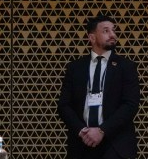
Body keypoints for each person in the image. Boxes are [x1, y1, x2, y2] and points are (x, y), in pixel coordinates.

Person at [58, 13, 140, 159]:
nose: (112, 35)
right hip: (82, 144)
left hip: (116, 145)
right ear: (92, 37)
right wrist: (82, 131)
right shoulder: (75, 68)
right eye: (106, 31)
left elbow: (130, 105)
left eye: (113, 30)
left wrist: (102, 131)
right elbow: (64, 105)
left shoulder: (126, 67)